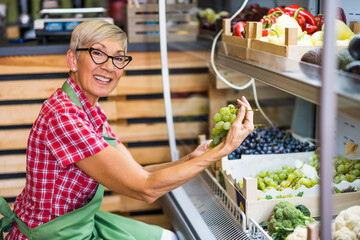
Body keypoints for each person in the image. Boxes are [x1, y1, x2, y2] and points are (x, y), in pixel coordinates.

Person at [0, 20, 254, 240]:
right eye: (98, 54)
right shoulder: (65, 117)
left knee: (169, 237)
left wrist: (192, 158)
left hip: (76, 225)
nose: (110, 67)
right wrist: (223, 150)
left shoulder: (90, 111)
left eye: (118, 58)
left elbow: (136, 173)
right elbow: (145, 189)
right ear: (72, 60)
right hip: (49, 234)